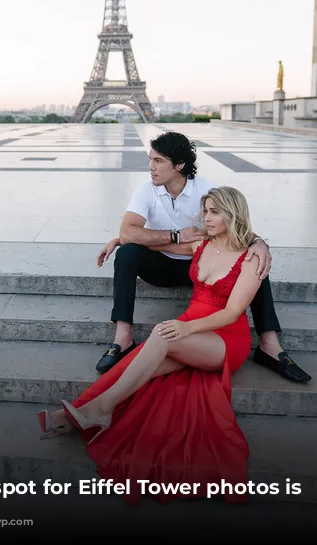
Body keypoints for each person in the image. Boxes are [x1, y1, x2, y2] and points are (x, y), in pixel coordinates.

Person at [38, 187, 265, 503]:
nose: (207, 218)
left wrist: (185, 327)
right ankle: (85, 411)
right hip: (191, 334)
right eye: (206, 211)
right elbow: (152, 242)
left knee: (158, 336)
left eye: (215, 212)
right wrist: (119, 240)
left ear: (233, 213)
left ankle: (100, 410)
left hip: (225, 340)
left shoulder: (251, 257)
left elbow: (233, 312)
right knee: (139, 363)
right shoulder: (201, 244)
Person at [95, 131, 311, 383]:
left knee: (254, 262)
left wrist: (259, 243)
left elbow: (235, 225)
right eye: (150, 160)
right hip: (163, 264)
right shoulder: (146, 190)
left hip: (202, 268)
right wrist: (173, 236)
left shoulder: (205, 189)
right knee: (127, 252)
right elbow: (128, 231)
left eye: (158, 161)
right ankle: (123, 338)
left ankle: (269, 344)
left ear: (179, 165)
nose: (151, 168)